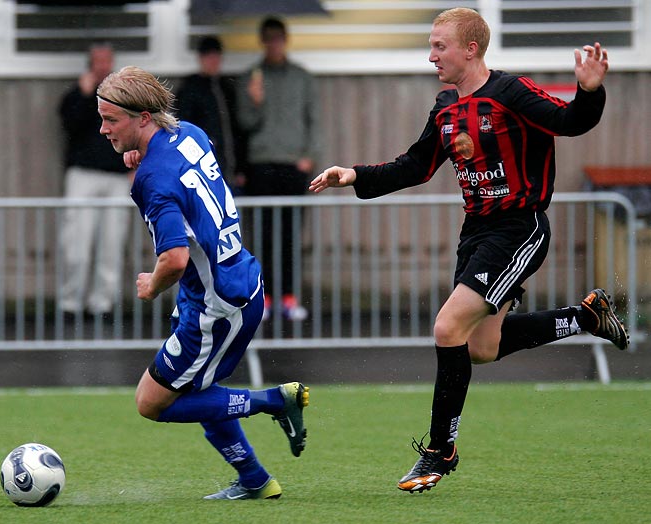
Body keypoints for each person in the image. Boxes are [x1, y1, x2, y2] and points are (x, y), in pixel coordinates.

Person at [310, 7, 628, 494]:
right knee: (481, 347)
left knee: (447, 326)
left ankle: (441, 449)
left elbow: (570, 122)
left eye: (440, 45)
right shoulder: (444, 106)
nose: (431, 54)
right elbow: (414, 166)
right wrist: (351, 174)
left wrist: (589, 90)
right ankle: (586, 318)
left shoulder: (510, 93)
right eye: (431, 44)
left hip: (519, 229)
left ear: (471, 48)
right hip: (476, 233)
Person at [96, 66, 310, 500]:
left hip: (218, 305)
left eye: (110, 119)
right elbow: (186, 172)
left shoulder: (152, 181)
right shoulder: (190, 132)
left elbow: (173, 259)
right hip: (232, 282)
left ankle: (273, 400)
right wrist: (144, 152)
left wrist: (153, 285)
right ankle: (254, 480)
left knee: (151, 402)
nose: (103, 129)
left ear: (143, 118)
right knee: (200, 389)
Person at [236, 16, 322, 321]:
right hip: (261, 163)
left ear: (285, 40)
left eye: (278, 38)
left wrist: (310, 156)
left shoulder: (302, 77)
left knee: (290, 233)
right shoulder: (251, 76)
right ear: (262, 40)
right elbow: (244, 124)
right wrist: (255, 101)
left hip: (292, 163)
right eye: (268, 38)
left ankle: (289, 296)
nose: (273, 43)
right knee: (261, 233)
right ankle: (264, 298)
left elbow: (314, 121)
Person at [58, 43, 132, 320]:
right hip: (83, 174)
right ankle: (70, 303)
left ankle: (103, 303)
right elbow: (68, 125)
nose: (103, 66)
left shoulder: (123, 98)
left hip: (116, 176)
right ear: (89, 63)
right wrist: (83, 94)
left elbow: (136, 130)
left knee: (112, 241)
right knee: (76, 241)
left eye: (107, 60)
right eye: (98, 61)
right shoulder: (78, 93)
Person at [175, 36, 245, 194]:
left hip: (230, 168)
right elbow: (183, 128)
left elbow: (237, 131)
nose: (213, 61)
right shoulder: (190, 89)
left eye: (216, 57)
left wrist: (240, 168)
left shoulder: (227, 88)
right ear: (200, 59)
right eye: (209, 57)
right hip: (202, 167)